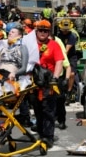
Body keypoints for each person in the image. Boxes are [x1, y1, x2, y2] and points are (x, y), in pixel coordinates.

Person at [32, 20, 64, 148]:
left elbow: (59, 62)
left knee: (49, 110)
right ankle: (41, 132)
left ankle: (48, 136)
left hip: (48, 83)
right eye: (40, 30)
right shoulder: (31, 44)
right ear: (36, 31)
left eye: (45, 31)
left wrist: (55, 78)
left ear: (49, 32)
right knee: (37, 110)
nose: (43, 33)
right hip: (34, 83)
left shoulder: (54, 45)